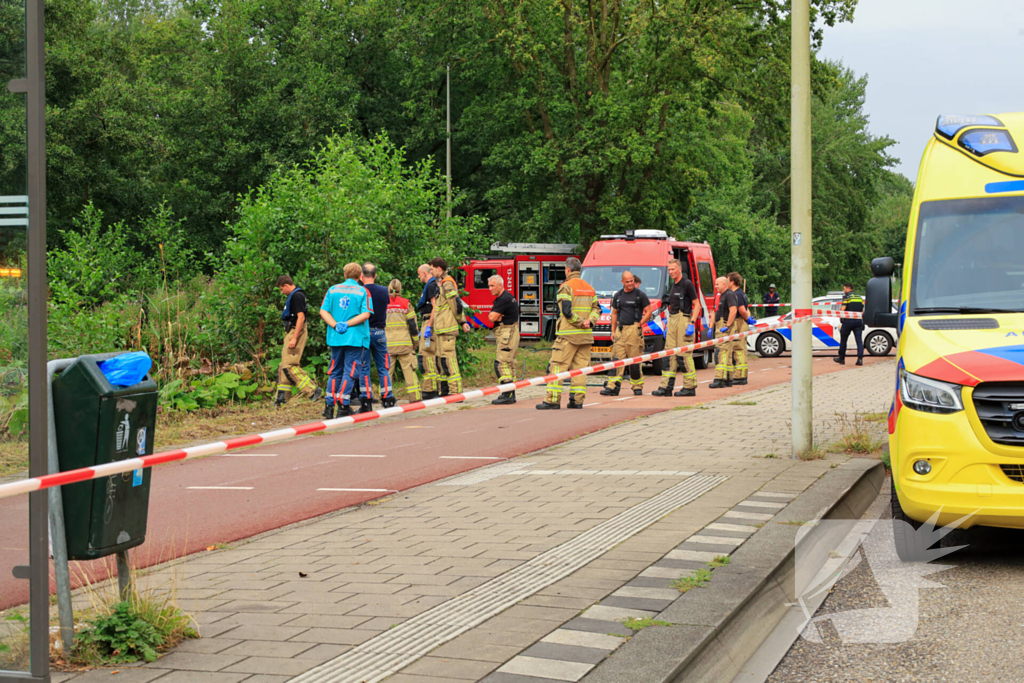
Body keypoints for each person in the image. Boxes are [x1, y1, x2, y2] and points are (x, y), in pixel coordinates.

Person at [537, 257, 601, 410]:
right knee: (580, 370)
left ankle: (552, 400)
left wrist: (580, 322)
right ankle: (576, 401)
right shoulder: (589, 288)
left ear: (567, 270)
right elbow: (597, 309)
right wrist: (590, 322)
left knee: (557, 367)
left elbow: (566, 311)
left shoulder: (566, 287)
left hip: (568, 336)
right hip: (585, 337)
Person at [319, 262, 373, 418]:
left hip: (336, 337)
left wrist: (335, 325)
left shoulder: (332, 290)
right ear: (360, 276)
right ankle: (343, 406)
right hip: (355, 338)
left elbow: (323, 311)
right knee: (350, 372)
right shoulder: (363, 291)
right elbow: (366, 314)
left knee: (334, 371)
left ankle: (329, 407)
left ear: (344, 275)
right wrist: (347, 324)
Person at [652, 260, 701, 397]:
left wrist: (691, 323)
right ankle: (666, 387)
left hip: (684, 319)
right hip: (673, 320)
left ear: (679, 269)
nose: (671, 272)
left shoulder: (687, 284)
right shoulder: (673, 285)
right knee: (668, 355)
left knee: (683, 355)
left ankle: (689, 387)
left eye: (673, 269)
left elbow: (697, 305)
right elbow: (671, 308)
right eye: (669, 270)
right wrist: (668, 325)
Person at [600, 270, 652, 396]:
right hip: (620, 330)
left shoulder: (640, 295)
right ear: (622, 282)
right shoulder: (618, 296)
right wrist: (613, 331)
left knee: (634, 361)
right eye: (627, 282)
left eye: (632, 281)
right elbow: (614, 313)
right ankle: (612, 386)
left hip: (634, 330)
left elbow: (649, 311)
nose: (630, 284)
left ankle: (637, 386)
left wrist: (640, 324)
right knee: (616, 359)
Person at [426, 257, 471, 395]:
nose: (431, 271)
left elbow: (455, 305)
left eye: (432, 269)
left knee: (449, 361)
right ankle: (444, 391)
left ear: (439, 269)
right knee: (441, 361)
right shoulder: (441, 283)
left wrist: (462, 322)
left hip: (448, 330)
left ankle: (455, 392)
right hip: (441, 329)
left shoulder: (447, 283)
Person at [274, 276, 321, 406]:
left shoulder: (297, 296)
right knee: (283, 365)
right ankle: (282, 399)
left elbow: (301, 318)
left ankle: (312, 390)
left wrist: (294, 338)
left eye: (282, 289)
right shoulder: (294, 296)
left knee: (289, 365)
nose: (282, 292)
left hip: (296, 331)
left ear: (286, 285)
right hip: (291, 331)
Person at [361, 263, 396, 408]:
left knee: (364, 368)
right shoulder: (383, 291)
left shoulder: (360, 291)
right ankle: (388, 397)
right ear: (375, 275)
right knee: (383, 367)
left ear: (361, 276)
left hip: (364, 332)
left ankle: (366, 400)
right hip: (380, 332)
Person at [385, 279, 421, 402]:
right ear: (400, 289)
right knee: (410, 371)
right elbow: (413, 326)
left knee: (386, 373)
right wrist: (416, 342)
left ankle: (386, 399)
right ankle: (415, 398)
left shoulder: (383, 304)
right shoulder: (406, 303)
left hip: (387, 345)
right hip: (405, 344)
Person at [488, 274, 520, 405]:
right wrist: (495, 315)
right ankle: (510, 394)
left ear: (500, 285)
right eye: (489, 286)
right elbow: (494, 316)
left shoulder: (504, 299)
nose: (490, 289)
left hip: (507, 332)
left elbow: (492, 317)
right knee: (509, 363)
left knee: (501, 363)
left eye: (492, 286)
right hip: (509, 332)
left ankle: (507, 394)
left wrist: (495, 315)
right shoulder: (505, 298)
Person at [416, 263, 440, 399]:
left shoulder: (431, 286)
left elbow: (435, 307)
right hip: (427, 321)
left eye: (419, 274)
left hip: (429, 321)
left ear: (425, 273)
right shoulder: (433, 285)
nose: (418, 277)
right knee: (429, 356)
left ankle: (430, 390)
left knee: (426, 356)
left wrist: (429, 326)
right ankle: (432, 388)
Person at [709, 276, 738, 389]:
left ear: (724, 285)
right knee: (727, 353)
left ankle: (719, 379)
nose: (715, 286)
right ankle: (728, 379)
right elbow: (714, 312)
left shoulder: (729, 294)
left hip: (724, 326)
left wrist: (727, 326)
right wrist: (711, 327)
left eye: (717, 284)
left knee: (720, 352)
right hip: (719, 325)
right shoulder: (719, 296)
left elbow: (733, 310)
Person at [728, 272, 756, 386]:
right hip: (742, 322)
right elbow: (746, 309)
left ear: (732, 282)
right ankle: (741, 374)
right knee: (741, 349)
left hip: (738, 323)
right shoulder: (742, 293)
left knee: (737, 348)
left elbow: (742, 310)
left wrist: (746, 318)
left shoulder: (736, 294)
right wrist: (748, 318)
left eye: (727, 280)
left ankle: (739, 376)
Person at [834, 283, 865, 366]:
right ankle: (860, 359)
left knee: (843, 339)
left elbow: (842, 309)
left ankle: (841, 358)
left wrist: (841, 319)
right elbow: (863, 310)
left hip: (848, 321)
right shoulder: (859, 297)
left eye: (844, 289)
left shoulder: (847, 297)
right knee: (859, 340)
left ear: (848, 289)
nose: (844, 290)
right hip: (858, 321)